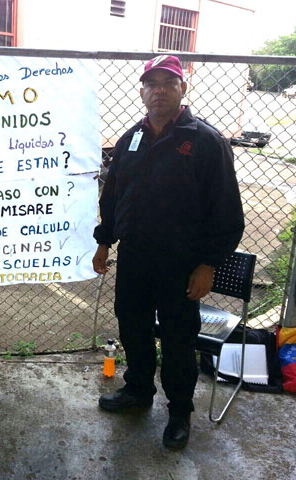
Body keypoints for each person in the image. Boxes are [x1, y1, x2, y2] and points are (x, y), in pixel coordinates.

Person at [92, 55, 244, 450]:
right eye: (151, 83)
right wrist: (104, 241)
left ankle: (179, 412)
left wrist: (208, 264)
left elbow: (227, 212)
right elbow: (113, 197)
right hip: (136, 258)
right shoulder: (131, 139)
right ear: (142, 91)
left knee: (178, 338)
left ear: (183, 88)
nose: (159, 90)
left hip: (183, 264)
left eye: (168, 83)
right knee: (133, 327)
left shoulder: (206, 142)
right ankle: (138, 390)